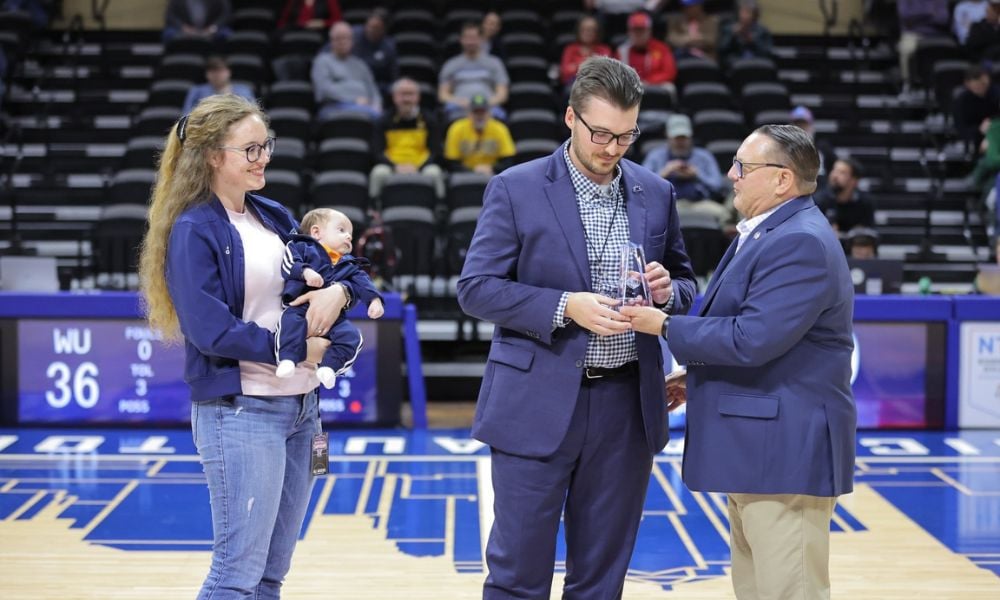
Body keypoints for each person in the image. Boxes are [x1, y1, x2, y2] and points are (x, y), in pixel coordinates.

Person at [456, 56, 697, 599]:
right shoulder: (515, 187)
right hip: (534, 401)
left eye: (626, 136)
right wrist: (566, 306)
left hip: (626, 407)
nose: (612, 148)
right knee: (517, 575)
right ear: (571, 118)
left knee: (601, 580)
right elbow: (476, 288)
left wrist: (668, 292)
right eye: (600, 134)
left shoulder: (656, 192)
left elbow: (686, 283)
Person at [621, 124, 856, 600]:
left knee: (788, 592)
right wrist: (696, 374)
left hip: (785, 452)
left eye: (743, 167)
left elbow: (753, 338)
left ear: (782, 179)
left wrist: (663, 325)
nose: (731, 175)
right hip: (762, 450)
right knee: (756, 589)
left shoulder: (801, 240)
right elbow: (769, 337)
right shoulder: (772, 230)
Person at [138, 94, 357, 598]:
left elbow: (321, 271)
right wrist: (299, 350)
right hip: (241, 412)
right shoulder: (193, 228)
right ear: (214, 156)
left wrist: (342, 292)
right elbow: (210, 330)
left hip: (302, 410)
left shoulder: (272, 214)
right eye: (251, 149)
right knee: (235, 576)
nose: (264, 158)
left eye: (266, 145)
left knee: (270, 575)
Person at [276, 208, 383, 388]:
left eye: (350, 235)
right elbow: (289, 263)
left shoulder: (348, 263)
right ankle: (287, 359)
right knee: (290, 323)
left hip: (334, 318)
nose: (348, 236)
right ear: (316, 232)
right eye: (341, 230)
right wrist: (305, 272)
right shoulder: (302, 247)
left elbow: (364, 283)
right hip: (300, 306)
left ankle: (329, 368)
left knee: (352, 336)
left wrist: (374, 300)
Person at [642, 113, 726, 221]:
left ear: (691, 137)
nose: (680, 142)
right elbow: (642, 184)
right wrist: (665, 172)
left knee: (724, 215)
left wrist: (696, 174)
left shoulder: (704, 156)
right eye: (677, 138)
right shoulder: (656, 156)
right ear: (667, 136)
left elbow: (717, 185)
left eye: (684, 138)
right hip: (666, 203)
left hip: (699, 203)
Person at [370, 77, 445, 199]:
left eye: (410, 94)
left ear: (418, 97)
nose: (406, 99)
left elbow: (435, 152)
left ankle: (440, 205)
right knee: (378, 172)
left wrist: (418, 167)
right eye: (402, 94)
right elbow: (377, 152)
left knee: (434, 172)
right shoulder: (383, 121)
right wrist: (395, 166)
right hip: (392, 165)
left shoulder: (430, 120)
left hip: (421, 165)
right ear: (394, 97)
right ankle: (374, 206)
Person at [438, 22, 510, 122]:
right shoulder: (450, 65)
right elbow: (442, 95)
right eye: (467, 38)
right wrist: (459, 102)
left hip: (488, 110)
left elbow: (502, 94)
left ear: (481, 39)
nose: (470, 42)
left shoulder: (495, 63)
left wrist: (483, 104)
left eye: (474, 38)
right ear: (461, 40)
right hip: (459, 111)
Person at [311, 21, 382, 119]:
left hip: (366, 108)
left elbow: (373, 90)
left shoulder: (360, 64)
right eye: (338, 38)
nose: (342, 42)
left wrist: (376, 104)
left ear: (352, 41)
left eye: (346, 38)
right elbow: (324, 90)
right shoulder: (322, 61)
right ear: (331, 41)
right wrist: (353, 100)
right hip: (334, 107)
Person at [443, 94, 516, 176]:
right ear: (468, 113)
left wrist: (492, 168)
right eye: (475, 112)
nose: (479, 116)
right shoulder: (456, 128)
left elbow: (508, 160)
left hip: (493, 174)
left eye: (482, 112)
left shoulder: (500, 128)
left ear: (489, 113)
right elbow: (451, 162)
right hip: (464, 175)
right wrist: (472, 171)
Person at [618, 11, 677, 96]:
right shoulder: (622, 51)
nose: (638, 34)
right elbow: (618, 75)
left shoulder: (661, 48)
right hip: (630, 88)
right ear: (629, 32)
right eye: (635, 30)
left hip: (656, 85)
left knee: (670, 87)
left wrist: (649, 81)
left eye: (642, 30)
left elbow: (670, 72)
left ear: (649, 31)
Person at [815, 157, 875, 233]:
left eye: (842, 173)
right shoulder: (819, 201)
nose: (835, 176)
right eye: (834, 170)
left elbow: (869, 232)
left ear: (854, 180)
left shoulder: (864, 203)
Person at [182, 55, 256, 114]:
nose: (216, 75)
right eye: (212, 71)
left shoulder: (243, 91)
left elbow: (252, 113)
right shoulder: (196, 91)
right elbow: (186, 116)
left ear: (228, 72)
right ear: (206, 74)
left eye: (220, 70)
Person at [352, 8, 398, 101]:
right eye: (369, 26)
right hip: (351, 86)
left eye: (376, 28)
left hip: (376, 90)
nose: (370, 30)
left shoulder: (389, 48)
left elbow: (393, 79)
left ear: (384, 30)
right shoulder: (352, 35)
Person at [953, 65, 1000, 153]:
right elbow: (961, 129)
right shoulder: (962, 101)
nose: (982, 87)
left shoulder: (996, 93)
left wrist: (993, 128)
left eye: (984, 84)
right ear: (967, 84)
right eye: (978, 86)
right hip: (976, 141)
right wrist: (979, 129)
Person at [717, 0, 773, 72]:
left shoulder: (763, 31)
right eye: (742, 12)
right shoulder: (728, 28)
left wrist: (752, 41)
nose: (744, 16)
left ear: (755, 15)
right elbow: (721, 49)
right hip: (735, 62)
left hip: (756, 61)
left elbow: (767, 53)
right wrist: (733, 35)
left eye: (748, 12)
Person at [789, 105, 836, 190]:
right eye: (797, 124)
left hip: (820, 188)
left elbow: (833, 165)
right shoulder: (785, 147)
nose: (800, 128)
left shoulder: (823, 146)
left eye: (804, 124)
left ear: (810, 125)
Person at [560, 15, 613, 88]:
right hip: (574, 84)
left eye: (591, 30)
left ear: (597, 32)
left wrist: (576, 65)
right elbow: (565, 74)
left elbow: (606, 72)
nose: (587, 33)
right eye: (584, 29)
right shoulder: (570, 49)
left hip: (598, 85)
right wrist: (591, 64)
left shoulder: (604, 49)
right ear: (578, 31)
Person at [163, 0, 231, 42]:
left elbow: (226, 14)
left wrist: (213, 28)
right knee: (169, 34)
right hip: (184, 31)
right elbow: (169, 16)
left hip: (210, 30)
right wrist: (183, 27)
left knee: (226, 34)